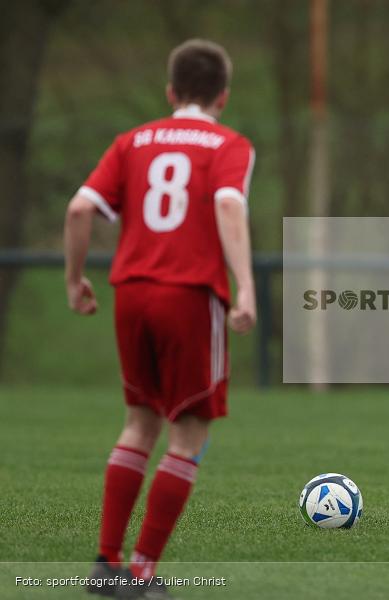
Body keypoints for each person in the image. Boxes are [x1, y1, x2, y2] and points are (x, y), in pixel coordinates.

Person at [64, 39, 256, 598]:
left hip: (132, 294)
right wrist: (245, 286)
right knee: (188, 434)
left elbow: (79, 208)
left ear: (171, 92)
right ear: (223, 95)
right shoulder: (227, 144)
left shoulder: (132, 141)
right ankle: (142, 574)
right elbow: (226, 204)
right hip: (189, 296)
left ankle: (105, 563)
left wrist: (76, 279)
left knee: (139, 422)